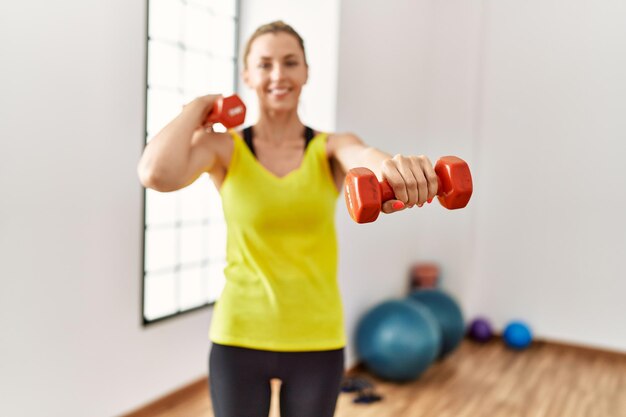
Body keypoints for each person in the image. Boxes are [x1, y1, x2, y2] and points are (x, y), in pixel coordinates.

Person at [137, 20, 439, 417]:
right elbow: (155, 174)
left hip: (316, 338)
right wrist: (196, 110)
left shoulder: (330, 147)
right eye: (264, 65)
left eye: (290, 62)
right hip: (239, 335)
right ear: (247, 75)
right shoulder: (225, 149)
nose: (278, 75)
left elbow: (365, 159)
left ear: (306, 72)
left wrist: (394, 169)